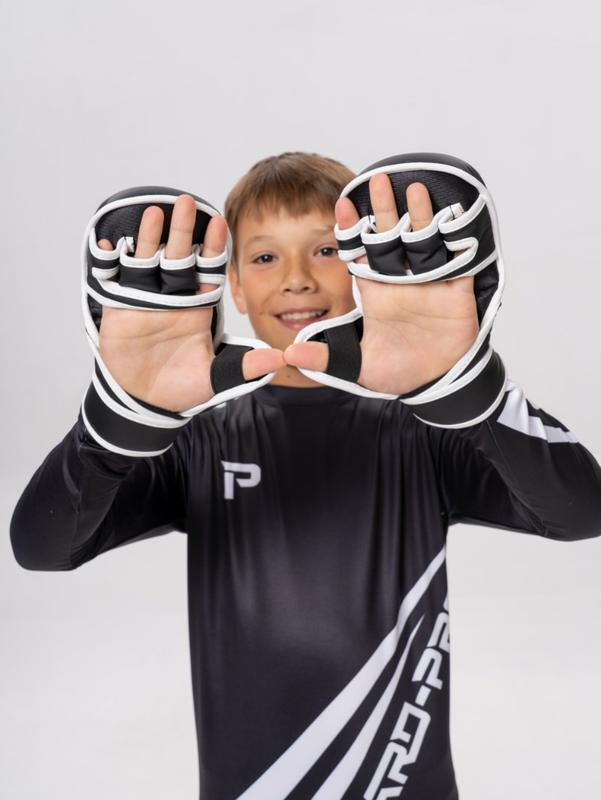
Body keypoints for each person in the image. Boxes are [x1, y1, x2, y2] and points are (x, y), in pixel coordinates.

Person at [10, 152, 601, 800]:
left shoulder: (421, 430)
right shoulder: (197, 440)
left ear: (364, 266)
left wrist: (466, 389)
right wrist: (117, 422)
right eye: (265, 257)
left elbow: (580, 512)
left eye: (324, 250)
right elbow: (43, 546)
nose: (296, 279)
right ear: (233, 286)